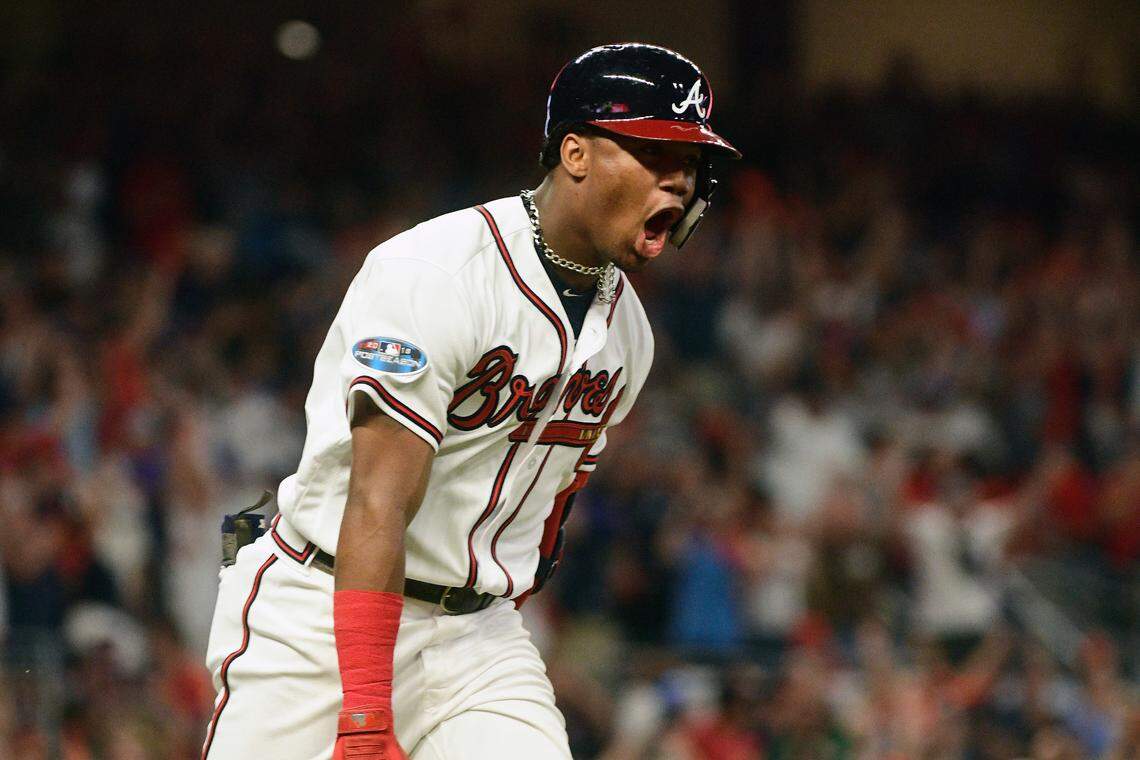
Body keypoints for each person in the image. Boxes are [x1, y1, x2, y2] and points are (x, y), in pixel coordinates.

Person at [199, 42, 739, 760]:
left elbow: (547, 515)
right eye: (655, 154)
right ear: (575, 153)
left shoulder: (628, 337)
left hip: (474, 639)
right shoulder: (438, 272)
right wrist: (365, 716)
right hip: (321, 619)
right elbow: (377, 502)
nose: (678, 183)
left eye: (691, 165)